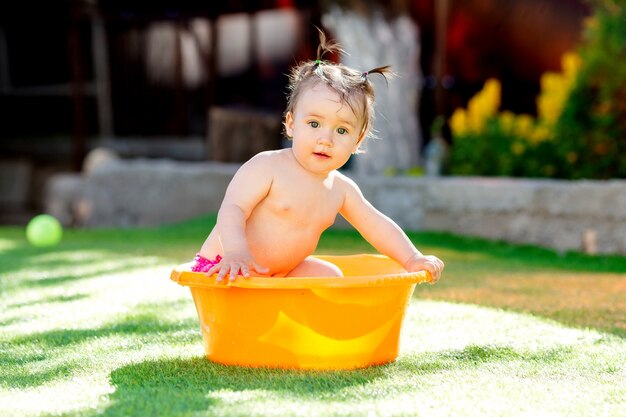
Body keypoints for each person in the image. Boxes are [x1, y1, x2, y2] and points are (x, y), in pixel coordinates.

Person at [192, 30, 444, 283]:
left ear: (358, 140)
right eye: (314, 124)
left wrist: (412, 258)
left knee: (330, 277)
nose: (326, 139)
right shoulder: (267, 166)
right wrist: (236, 253)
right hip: (227, 267)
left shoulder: (341, 189)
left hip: (280, 273)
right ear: (291, 124)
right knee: (243, 296)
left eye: (342, 130)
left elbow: (376, 225)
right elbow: (233, 208)